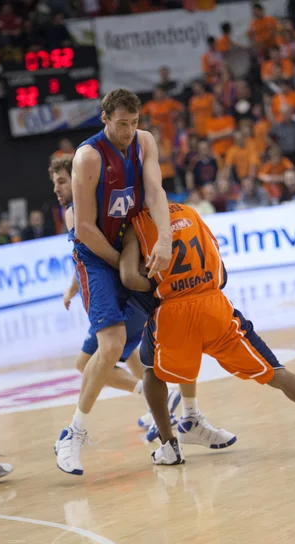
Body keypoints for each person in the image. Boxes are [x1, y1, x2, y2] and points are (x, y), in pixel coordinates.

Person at [120, 203, 295, 465]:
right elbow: (218, 263)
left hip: (173, 314)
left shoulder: (135, 226)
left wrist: (159, 287)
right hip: (213, 307)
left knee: (150, 369)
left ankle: (169, 446)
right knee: (276, 372)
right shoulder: (188, 212)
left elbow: (127, 278)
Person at [54, 88, 173, 476]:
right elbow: (85, 228)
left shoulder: (144, 142)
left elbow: (155, 192)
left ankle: (188, 415)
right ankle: (73, 433)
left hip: (131, 246)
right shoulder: (88, 158)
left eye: (134, 122)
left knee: (171, 320)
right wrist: (124, 269)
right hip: (97, 255)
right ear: (104, 118)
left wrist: (166, 240)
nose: (128, 130)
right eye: (121, 123)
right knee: (111, 346)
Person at [49, 154, 181, 434]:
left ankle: (153, 397)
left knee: (86, 363)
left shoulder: (76, 211)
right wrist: (73, 287)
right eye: (55, 183)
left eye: (61, 181)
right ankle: (160, 403)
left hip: (121, 293)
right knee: (125, 349)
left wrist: (77, 287)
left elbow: (91, 255)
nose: (57, 188)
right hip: (130, 294)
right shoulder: (96, 205)